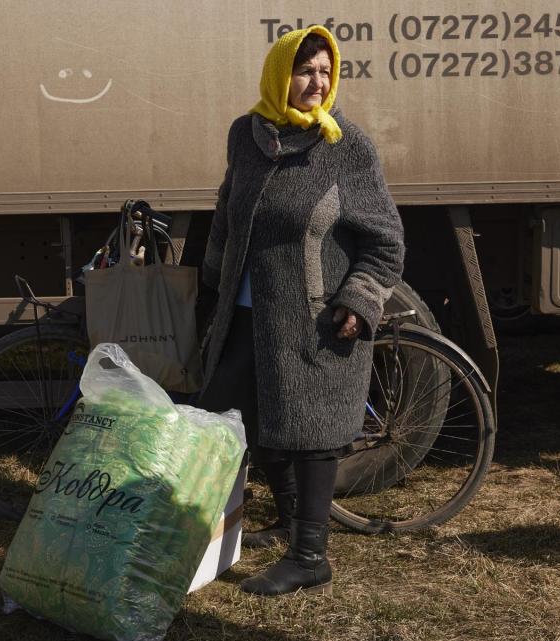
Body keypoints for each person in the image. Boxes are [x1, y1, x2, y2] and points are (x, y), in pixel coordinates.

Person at [197, 26, 405, 597]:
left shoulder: (345, 146)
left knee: (311, 433)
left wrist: (359, 300)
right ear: (279, 75)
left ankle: (311, 556)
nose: (317, 82)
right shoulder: (248, 135)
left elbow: (386, 240)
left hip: (316, 318)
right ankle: (287, 525)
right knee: (243, 417)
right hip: (245, 312)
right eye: (305, 70)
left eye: (324, 72)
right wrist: (211, 280)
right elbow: (226, 209)